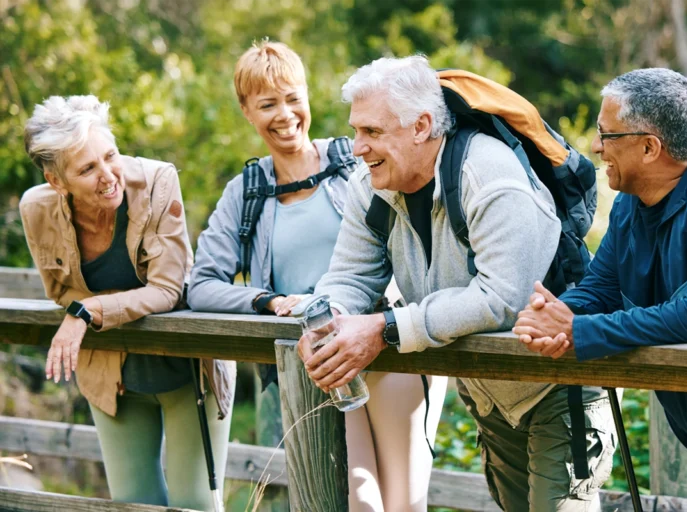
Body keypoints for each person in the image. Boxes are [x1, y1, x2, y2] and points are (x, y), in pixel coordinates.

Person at [299, 55, 616, 512]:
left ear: (421, 126)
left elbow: (504, 300)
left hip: (560, 385)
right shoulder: (371, 186)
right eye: (355, 131)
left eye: (371, 132)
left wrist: (385, 329)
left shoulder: (488, 172)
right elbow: (350, 275)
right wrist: (327, 320)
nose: (356, 147)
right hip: (492, 394)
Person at [187, 41, 447, 512]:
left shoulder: (358, 161)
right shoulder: (244, 192)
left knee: (405, 504)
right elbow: (200, 284)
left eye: (292, 98)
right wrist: (268, 301)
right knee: (355, 501)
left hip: (389, 342)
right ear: (247, 111)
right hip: (318, 365)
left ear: (308, 97)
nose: (284, 114)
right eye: (267, 104)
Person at [514, 68, 687, 511]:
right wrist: (553, 316)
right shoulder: (631, 206)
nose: (595, 147)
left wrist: (580, 331)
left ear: (650, 147)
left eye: (606, 134)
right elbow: (601, 289)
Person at [19, 95, 235, 510]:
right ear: (57, 181)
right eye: (87, 169)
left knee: (196, 506)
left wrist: (89, 311)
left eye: (110, 155)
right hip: (111, 376)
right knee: (133, 505)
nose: (107, 175)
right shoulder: (36, 209)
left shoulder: (157, 181)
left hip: (188, 372)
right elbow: (61, 292)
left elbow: (168, 289)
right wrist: (84, 309)